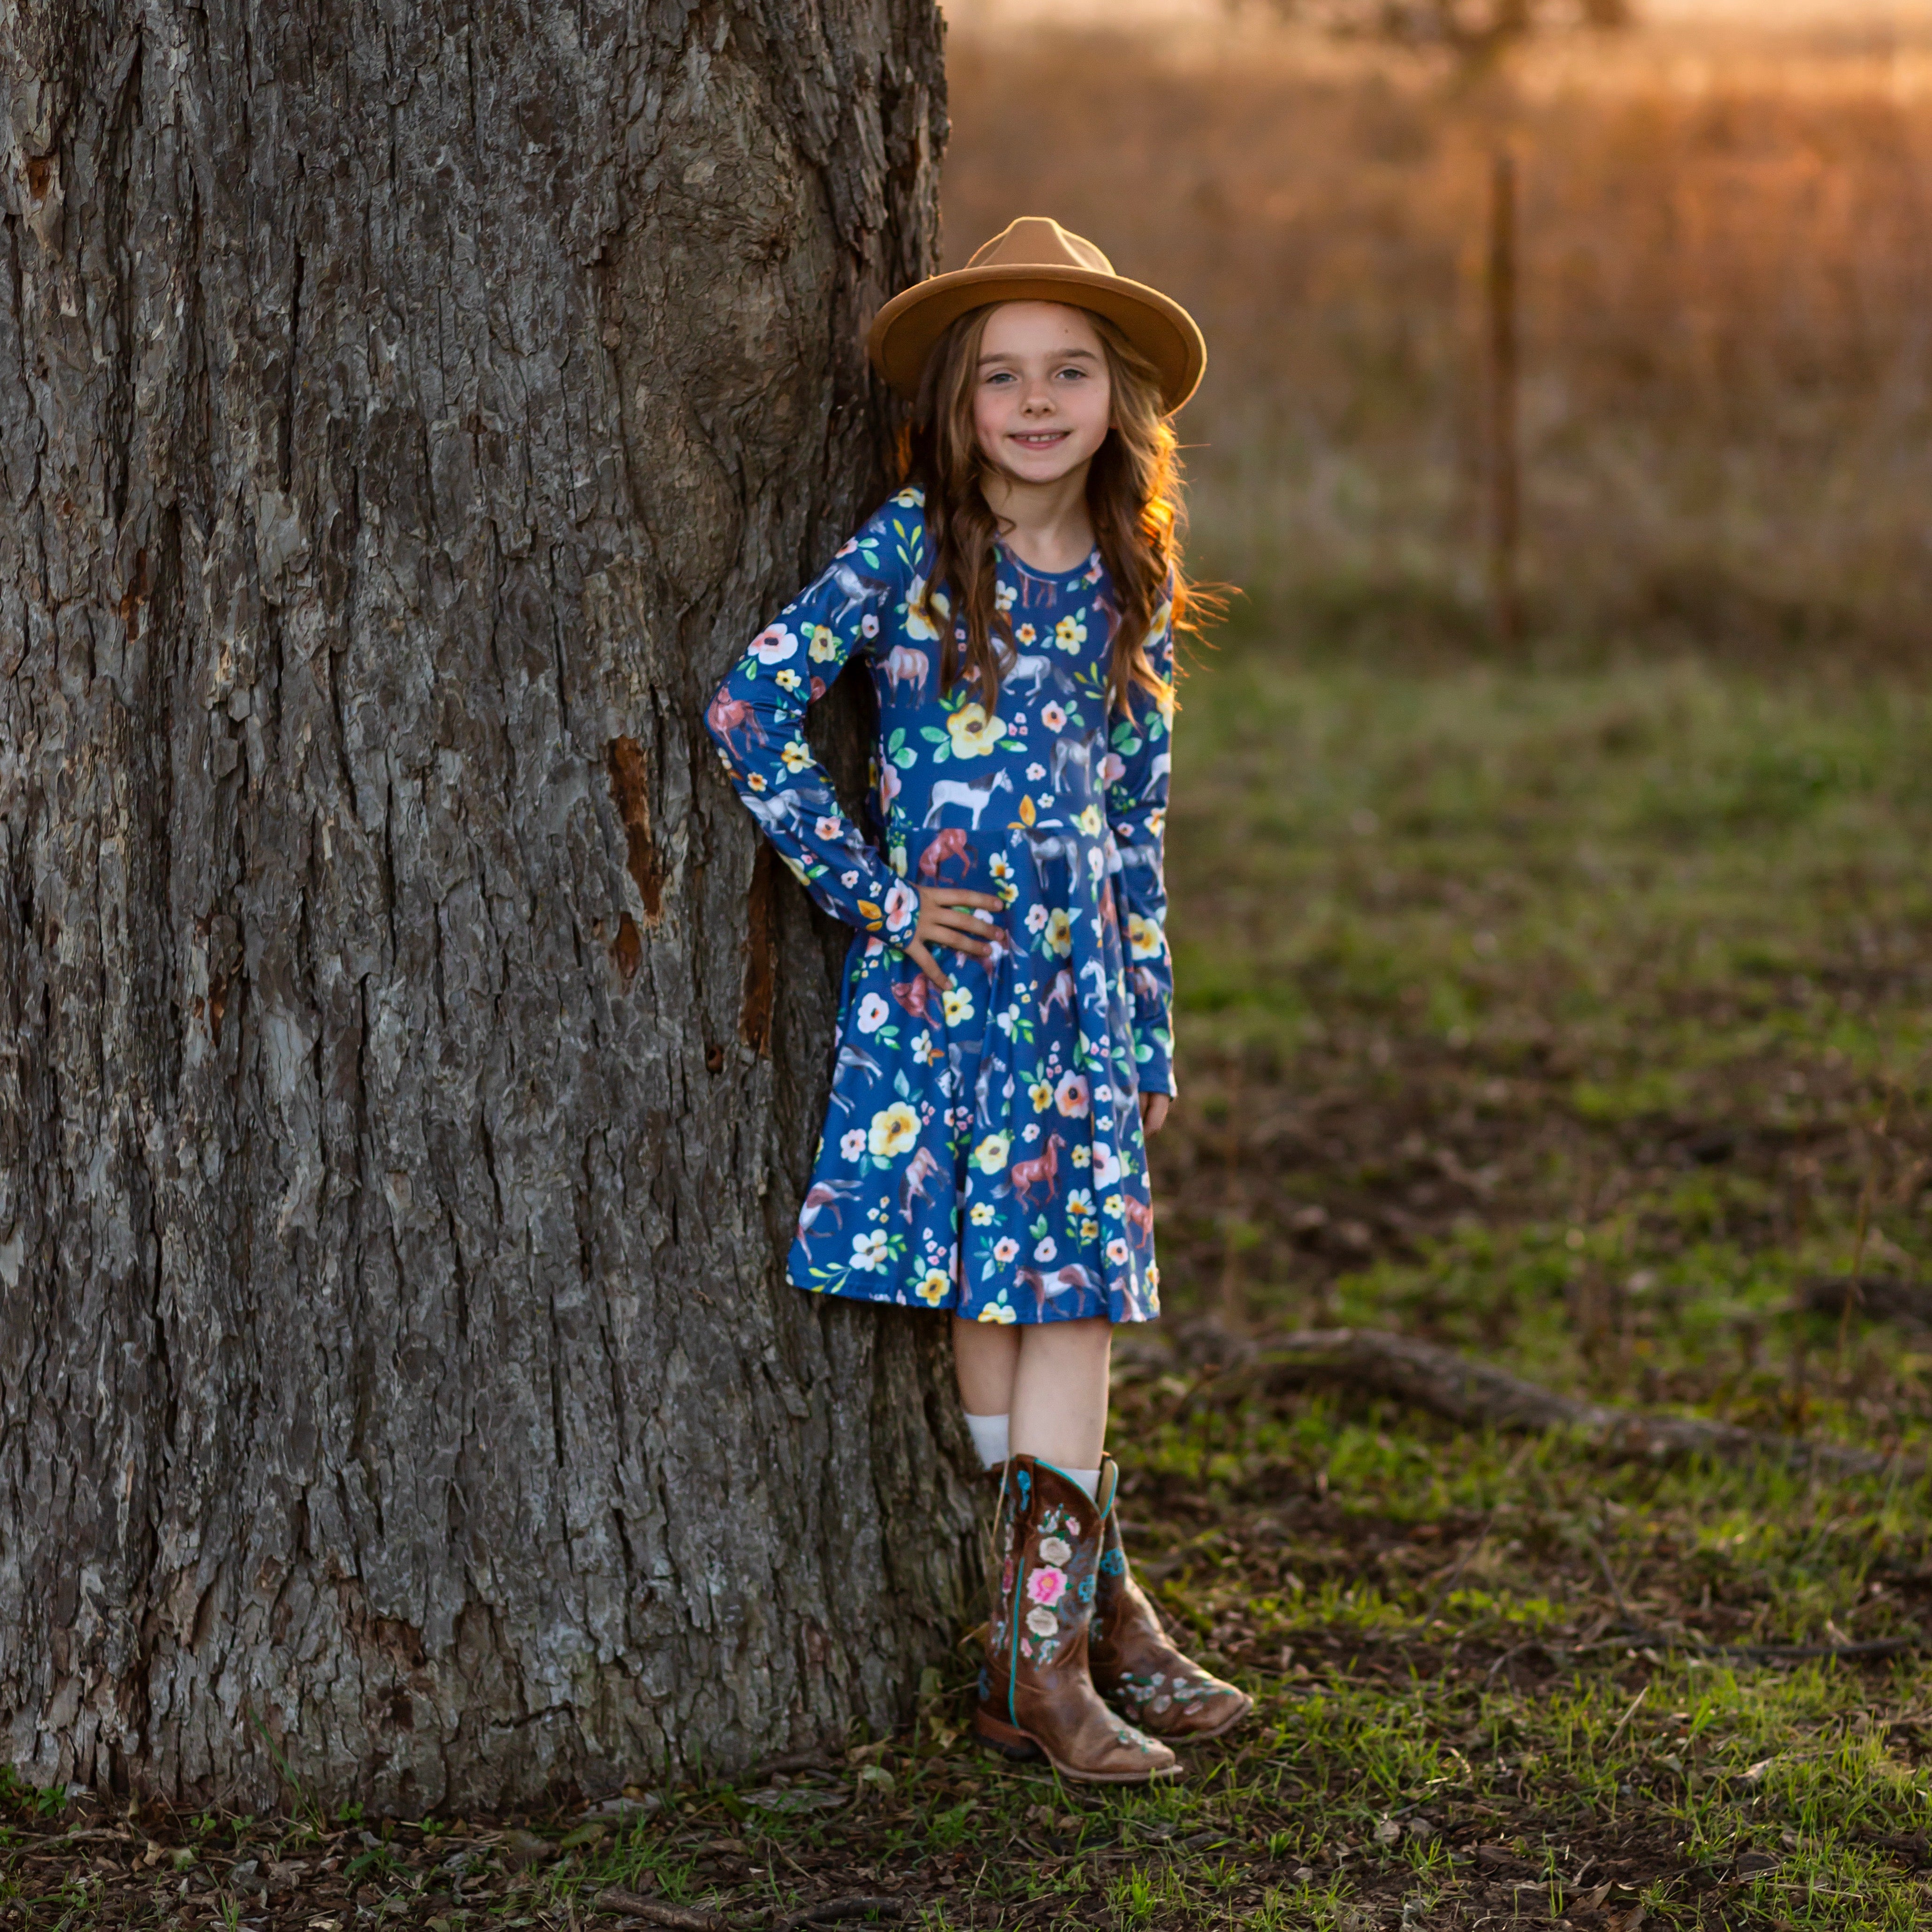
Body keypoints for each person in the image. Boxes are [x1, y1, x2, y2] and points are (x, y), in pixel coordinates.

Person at [706, 218, 1251, 1783]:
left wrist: (1148, 1020)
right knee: (992, 1307)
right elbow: (751, 708)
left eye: (1068, 370)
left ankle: (1074, 1639)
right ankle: (1066, 1651)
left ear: (1117, 400)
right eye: (1001, 375)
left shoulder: (1133, 574)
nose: (1033, 399)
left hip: (1077, 1005)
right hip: (946, 992)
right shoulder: (910, 547)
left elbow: (1138, 822)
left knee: (1068, 1294)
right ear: (956, 406)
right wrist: (872, 890)